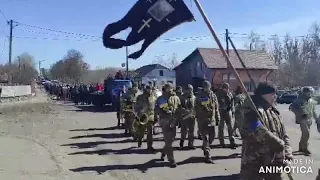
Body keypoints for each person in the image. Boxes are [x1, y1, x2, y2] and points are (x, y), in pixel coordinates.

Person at [240, 82, 293, 180]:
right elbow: (255, 128)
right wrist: (278, 144)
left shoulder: (274, 111)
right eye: (273, 94)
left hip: (274, 163)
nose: (275, 97)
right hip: (255, 162)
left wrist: (288, 154)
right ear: (264, 95)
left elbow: (284, 134)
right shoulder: (251, 111)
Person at [156, 83, 180, 168]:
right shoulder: (161, 99)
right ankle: (171, 160)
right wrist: (163, 111)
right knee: (169, 142)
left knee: (171, 140)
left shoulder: (176, 98)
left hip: (173, 122)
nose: (170, 89)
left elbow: (179, 108)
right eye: (168, 88)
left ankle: (163, 152)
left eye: (171, 88)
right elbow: (157, 109)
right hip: (165, 121)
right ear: (165, 89)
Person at [195, 80, 220, 164]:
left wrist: (217, 117)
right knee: (205, 137)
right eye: (205, 87)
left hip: (211, 119)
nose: (207, 88)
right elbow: (197, 107)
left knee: (212, 136)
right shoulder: (199, 96)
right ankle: (207, 155)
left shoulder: (213, 95)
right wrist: (202, 110)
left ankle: (205, 146)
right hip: (203, 120)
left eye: (208, 87)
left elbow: (216, 107)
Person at [289, 87, 318, 155]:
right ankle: (303, 148)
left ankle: (303, 148)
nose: (310, 93)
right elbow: (292, 108)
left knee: (306, 135)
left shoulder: (311, 101)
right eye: (308, 92)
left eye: (311, 92)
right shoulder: (298, 100)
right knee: (306, 133)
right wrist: (300, 113)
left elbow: (313, 111)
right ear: (304, 92)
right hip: (302, 119)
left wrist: (316, 119)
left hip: (309, 120)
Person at [134, 85, 156, 151]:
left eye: (151, 89)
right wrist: (139, 113)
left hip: (150, 117)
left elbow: (155, 107)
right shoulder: (140, 97)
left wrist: (156, 116)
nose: (150, 90)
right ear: (145, 89)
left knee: (150, 132)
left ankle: (149, 146)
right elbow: (136, 107)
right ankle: (140, 140)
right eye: (148, 89)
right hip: (142, 116)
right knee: (141, 132)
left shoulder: (153, 97)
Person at [216, 82, 237, 148]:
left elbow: (232, 103)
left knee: (230, 128)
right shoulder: (219, 94)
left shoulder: (230, 94)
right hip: (221, 112)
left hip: (228, 112)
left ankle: (232, 142)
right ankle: (222, 142)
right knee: (221, 128)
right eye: (226, 88)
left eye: (228, 88)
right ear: (223, 88)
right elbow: (217, 103)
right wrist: (222, 107)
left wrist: (232, 110)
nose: (227, 90)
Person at [179, 84, 196, 149]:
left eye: (191, 89)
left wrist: (194, 113)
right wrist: (185, 111)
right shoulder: (182, 97)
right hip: (184, 116)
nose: (190, 91)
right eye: (189, 89)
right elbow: (179, 106)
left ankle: (190, 144)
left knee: (191, 131)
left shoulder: (194, 97)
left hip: (192, 116)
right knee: (184, 131)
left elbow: (195, 106)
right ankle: (182, 143)